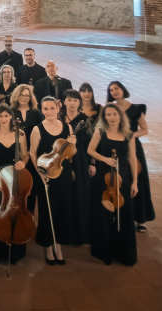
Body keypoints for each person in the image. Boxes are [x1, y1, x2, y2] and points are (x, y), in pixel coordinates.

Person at [28, 96, 80, 264]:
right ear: (41, 110)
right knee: (46, 210)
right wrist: (40, 173)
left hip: (63, 175)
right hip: (45, 175)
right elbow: (32, 153)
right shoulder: (37, 129)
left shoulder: (68, 127)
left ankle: (59, 245)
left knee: (63, 210)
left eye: (52, 108)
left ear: (58, 108)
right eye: (45, 109)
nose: (49, 111)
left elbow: (72, 154)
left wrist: (73, 144)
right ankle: (48, 247)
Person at [87, 104, 139, 266]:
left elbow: (132, 158)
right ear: (104, 117)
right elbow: (90, 150)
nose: (111, 117)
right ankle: (104, 250)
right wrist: (104, 159)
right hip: (104, 176)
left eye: (114, 114)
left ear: (120, 115)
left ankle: (123, 251)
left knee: (124, 214)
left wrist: (135, 182)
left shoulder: (129, 134)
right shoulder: (100, 131)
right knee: (104, 213)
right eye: (108, 115)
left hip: (123, 177)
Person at [107, 81, 154, 231]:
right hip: (117, 146)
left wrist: (131, 136)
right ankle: (119, 214)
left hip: (133, 147)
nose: (114, 92)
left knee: (137, 179)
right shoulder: (111, 108)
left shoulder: (136, 109)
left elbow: (144, 129)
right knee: (119, 179)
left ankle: (141, 219)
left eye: (116, 88)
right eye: (111, 90)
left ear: (123, 90)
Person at [0, 104, 28, 265]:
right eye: (0, 116)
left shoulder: (20, 134)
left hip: (15, 177)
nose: (3, 119)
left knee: (15, 211)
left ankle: (14, 250)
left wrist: (23, 163)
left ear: (11, 116)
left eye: (6, 116)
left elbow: (26, 155)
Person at [60, 90, 92, 246]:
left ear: (79, 102)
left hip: (81, 160)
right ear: (64, 101)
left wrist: (92, 163)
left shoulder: (86, 120)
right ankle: (64, 232)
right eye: (69, 100)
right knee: (65, 195)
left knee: (80, 194)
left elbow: (92, 142)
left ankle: (80, 233)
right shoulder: (59, 117)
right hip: (62, 160)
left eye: (75, 100)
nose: (72, 103)